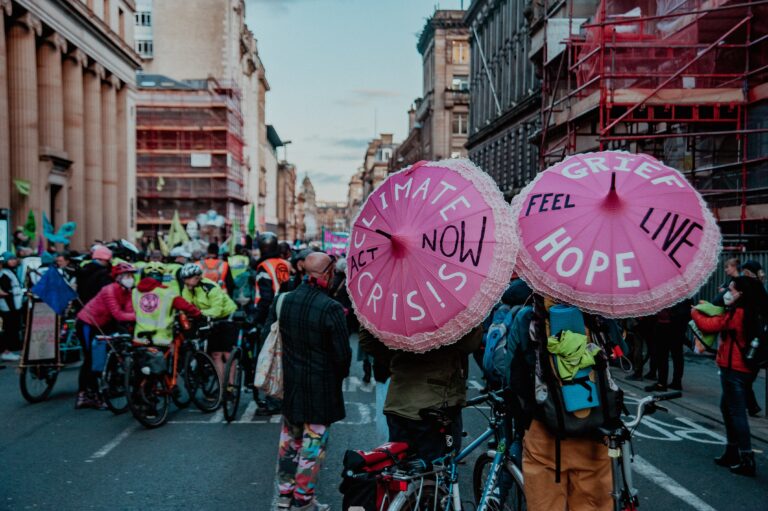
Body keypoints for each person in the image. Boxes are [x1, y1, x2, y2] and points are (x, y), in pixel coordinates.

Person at [267, 252, 350, 511]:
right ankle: (303, 499)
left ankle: (284, 495)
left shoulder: (283, 301)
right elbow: (342, 357)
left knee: (289, 443)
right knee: (312, 447)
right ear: (326, 274)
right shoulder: (331, 308)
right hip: (320, 390)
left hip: (291, 385)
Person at [359, 324, 482, 464]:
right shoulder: (450, 308)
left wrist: (397, 357)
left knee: (401, 464)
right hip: (438, 402)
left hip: (400, 398)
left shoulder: (396, 305)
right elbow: (469, 344)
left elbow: (367, 340)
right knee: (439, 466)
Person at [691, 276, 767, 477]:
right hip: (745, 369)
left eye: (731, 290)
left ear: (741, 294)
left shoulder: (738, 313)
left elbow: (710, 325)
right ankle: (732, 452)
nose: (727, 293)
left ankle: (745, 457)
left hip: (734, 369)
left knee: (736, 412)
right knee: (728, 408)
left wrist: (695, 312)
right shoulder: (751, 312)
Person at [74, 263, 138, 409]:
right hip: (87, 323)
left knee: (109, 352)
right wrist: (139, 316)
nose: (131, 279)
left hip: (102, 325)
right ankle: (85, 394)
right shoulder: (109, 290)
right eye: (127, 276)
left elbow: (129, 310)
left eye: (131, 276)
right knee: (90, 358)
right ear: (119, 278)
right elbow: (118, 314)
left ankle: (108, 385)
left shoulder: (127, 292)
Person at [178, 263, 237, 381]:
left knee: (226, 353)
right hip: (205, 316)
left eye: (189, 279)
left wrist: (199, 313)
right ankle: (220, 387)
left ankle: (230, 386)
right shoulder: (187, 288)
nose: (186, 282)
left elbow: (217, 310)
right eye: (184, 279)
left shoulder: (210, 287)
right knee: (215, 354)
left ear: (197, 277)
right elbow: (187, 305)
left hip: (226, 316)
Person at [254, 232, 292, 415]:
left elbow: (266, 297)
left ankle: (272, 399)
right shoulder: (286, 264)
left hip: (271, 314)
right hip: (287, 310)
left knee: (268, 355)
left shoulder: (263, 267)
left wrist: (255, 318)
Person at [132, 262, 201, 348]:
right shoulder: (168, 293)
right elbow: (187, 307)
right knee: (173, 352)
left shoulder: (135, 292)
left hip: (141, 339)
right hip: (160, 339)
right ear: (162, 277)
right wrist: (199, 314)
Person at [644, 300, 691, 392]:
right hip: (675, 327)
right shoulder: (683, 293)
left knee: (664, 356)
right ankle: (674, 382)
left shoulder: (673, 293)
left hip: (668, 326)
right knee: (675, 356)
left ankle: (663, 383)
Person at [0, 252, 24, 362]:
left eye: (14, 259)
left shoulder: (10, 271)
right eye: (11, 259)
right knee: (8, 328)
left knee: (12, 328)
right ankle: (5, 351)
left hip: (13, 305)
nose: (13, 261)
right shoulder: (4, 273)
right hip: (8, 306)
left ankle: (9, 349)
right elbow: (5, 291)